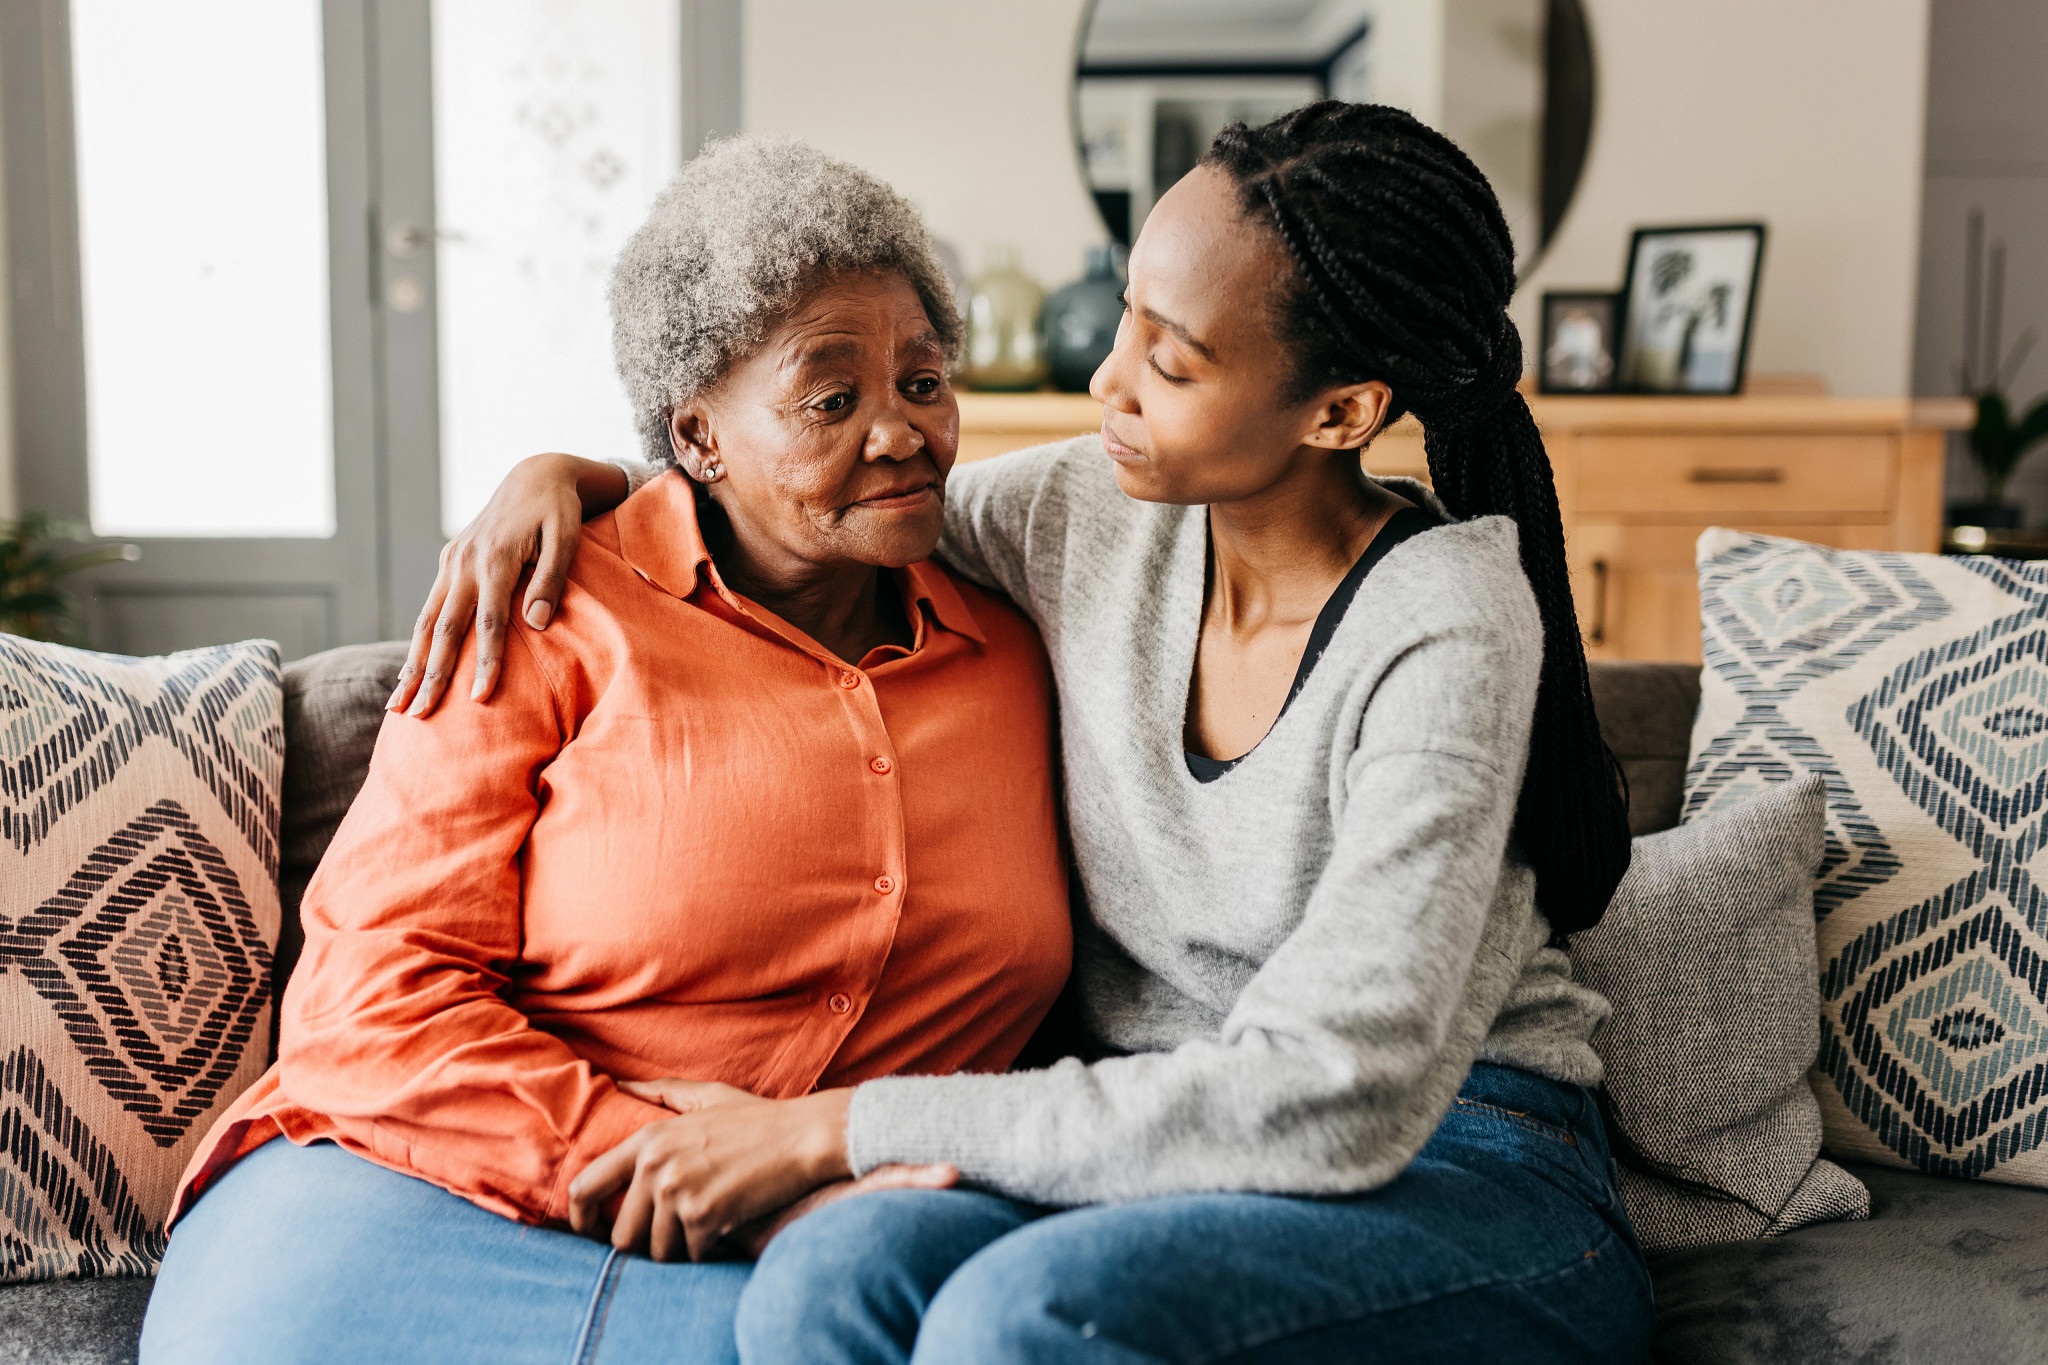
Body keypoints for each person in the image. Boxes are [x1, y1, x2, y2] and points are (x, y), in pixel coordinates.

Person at [392, 102, 1655, 1363]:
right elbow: (817, 496)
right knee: (827, 1278)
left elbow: (1335, 1095)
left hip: (1461, 1161)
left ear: (1339, 412)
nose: (1107, 382)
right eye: (1125, 319)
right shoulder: (1087, 514)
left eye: (1171, 361)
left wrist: (833, 1130)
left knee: (1025, 1323)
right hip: (1151, 1159)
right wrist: (573, 479)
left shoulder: (1447, 618)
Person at [137, 139, 1072, 1365]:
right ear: (697, 437)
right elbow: (370, 994)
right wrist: (650, 1149)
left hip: (837, 1240)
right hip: (430, 1183)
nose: (901, 434)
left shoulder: (1024, 632)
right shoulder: (542, 604)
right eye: (830, 400)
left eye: (924, 381)